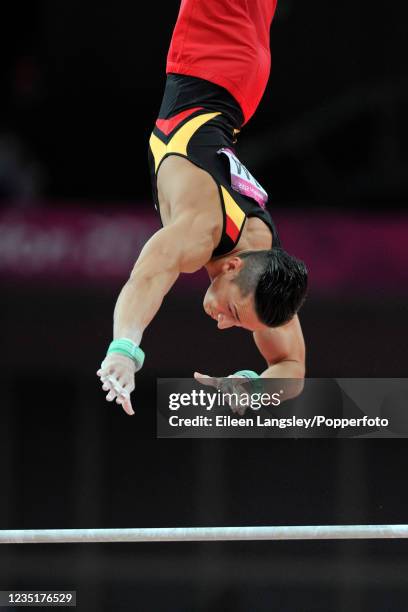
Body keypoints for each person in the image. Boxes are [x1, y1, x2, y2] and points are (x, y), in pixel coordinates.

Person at [97, 0, 308, 415]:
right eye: (232, 311)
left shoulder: (267, 271)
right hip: (213, 52)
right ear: (231, 267)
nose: (224, 323)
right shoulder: (203, 231)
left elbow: (292, 368)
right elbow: (148, 276)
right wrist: (124, 350)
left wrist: (253, 388)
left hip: (243, 83)